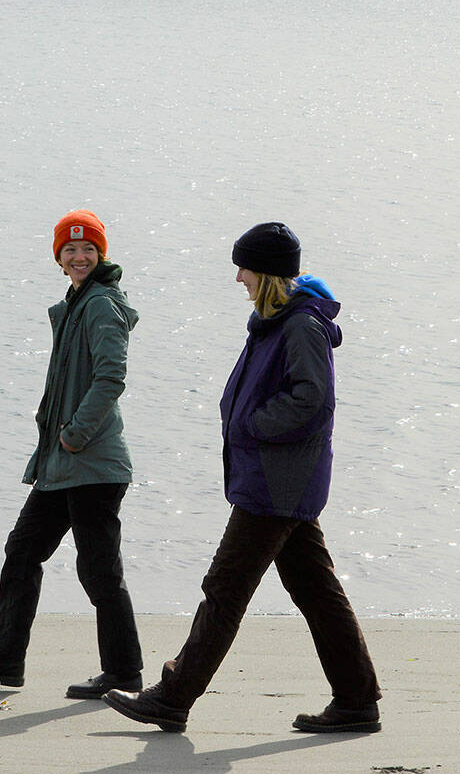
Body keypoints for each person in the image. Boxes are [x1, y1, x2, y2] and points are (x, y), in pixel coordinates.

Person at [103, 221, 381, 733]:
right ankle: (357, 700)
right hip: (276, 480)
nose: (238, 278)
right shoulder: (275, 321)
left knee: (224, 589)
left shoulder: (301, 325)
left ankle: (174, 696)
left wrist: (253, 425)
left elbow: (313, 399)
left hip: (276, 484)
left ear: (267, 273)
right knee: (317, 592)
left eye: (244, 268)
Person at [0, 209, 145, 700]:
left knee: (99, 571)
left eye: (88, 249)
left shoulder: (101, 304)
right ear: (58, 258)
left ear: (101, 254)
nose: (79, 257)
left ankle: (124, 673)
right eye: (70, 250)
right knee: (22, 552)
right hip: (63, 464)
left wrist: (75, 433)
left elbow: (111, 378)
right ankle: (7, 658)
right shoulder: (75, 304)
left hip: (92, 463)